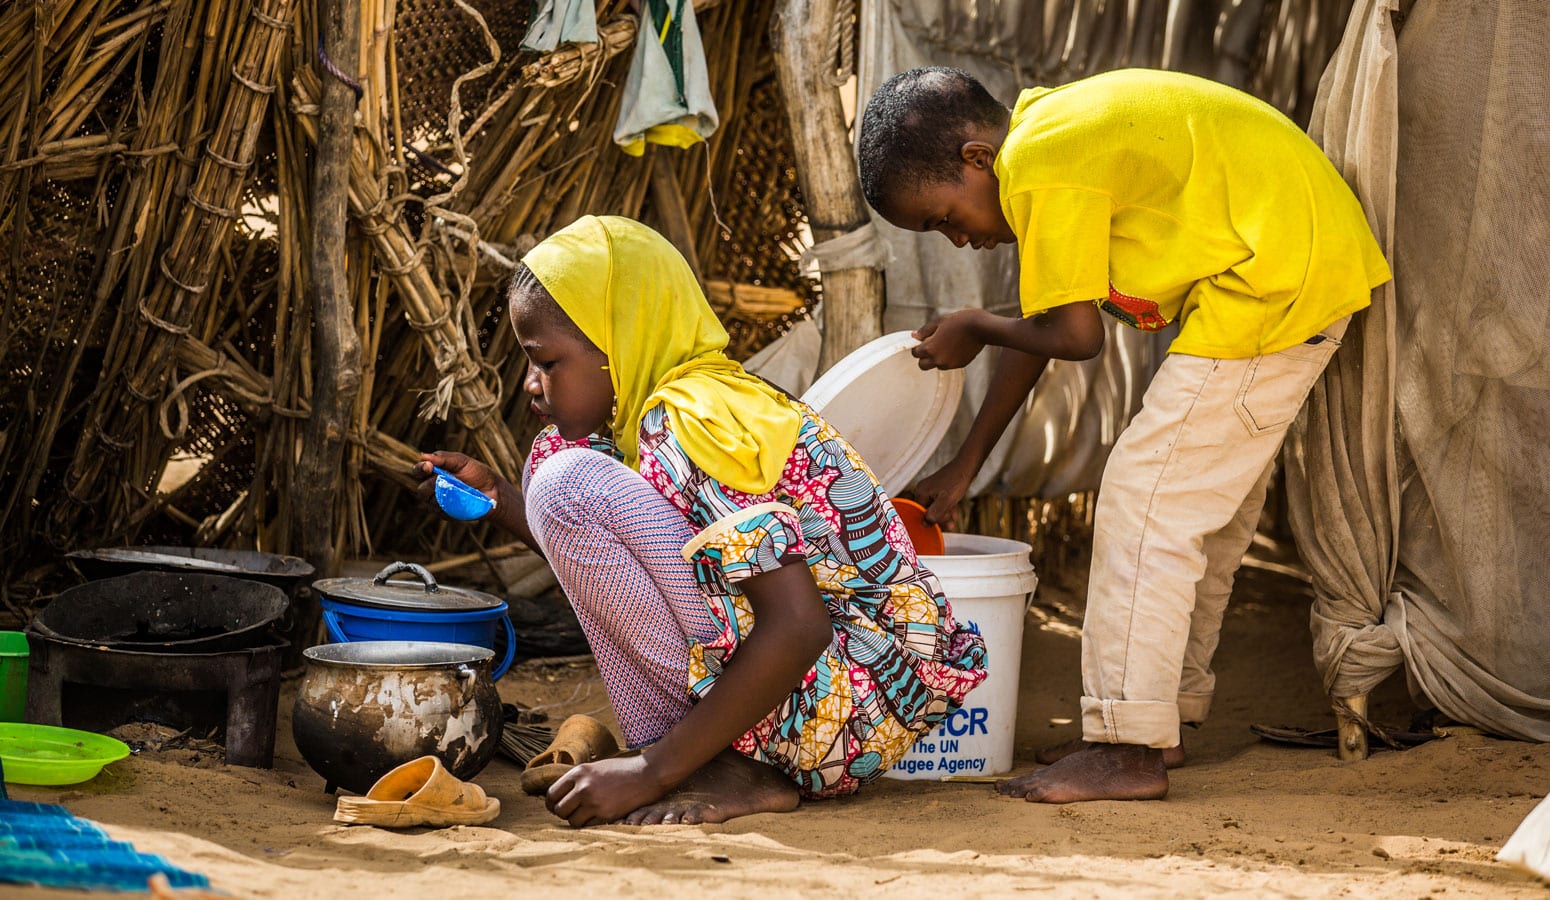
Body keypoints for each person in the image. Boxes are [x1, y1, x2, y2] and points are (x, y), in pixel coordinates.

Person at [856, 67, 1391, 803]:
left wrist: (977, 325)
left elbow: (1074, 338)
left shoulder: (1042, 166)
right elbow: (1046, 325)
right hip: (1290, 266)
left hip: (1272, 279)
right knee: (1201, 510)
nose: (957, 239)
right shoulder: (1049, 144)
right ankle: (1157, 718)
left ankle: (1126, 743)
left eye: (944, 217)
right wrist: (965, 464)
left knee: (1145, 501)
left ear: (976, 159)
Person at [413, 215, 987, 826]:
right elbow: (617, 561)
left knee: (565, 481)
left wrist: (652, 772)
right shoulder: (667, 413)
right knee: (556, 466)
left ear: (623, 342)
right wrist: (501, 498)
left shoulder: (696, 420)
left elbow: (799, 625)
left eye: (546, 361)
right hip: (826, 696)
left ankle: (726, 763)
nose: (531, 384)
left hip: (852, 703)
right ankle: (705, 752)